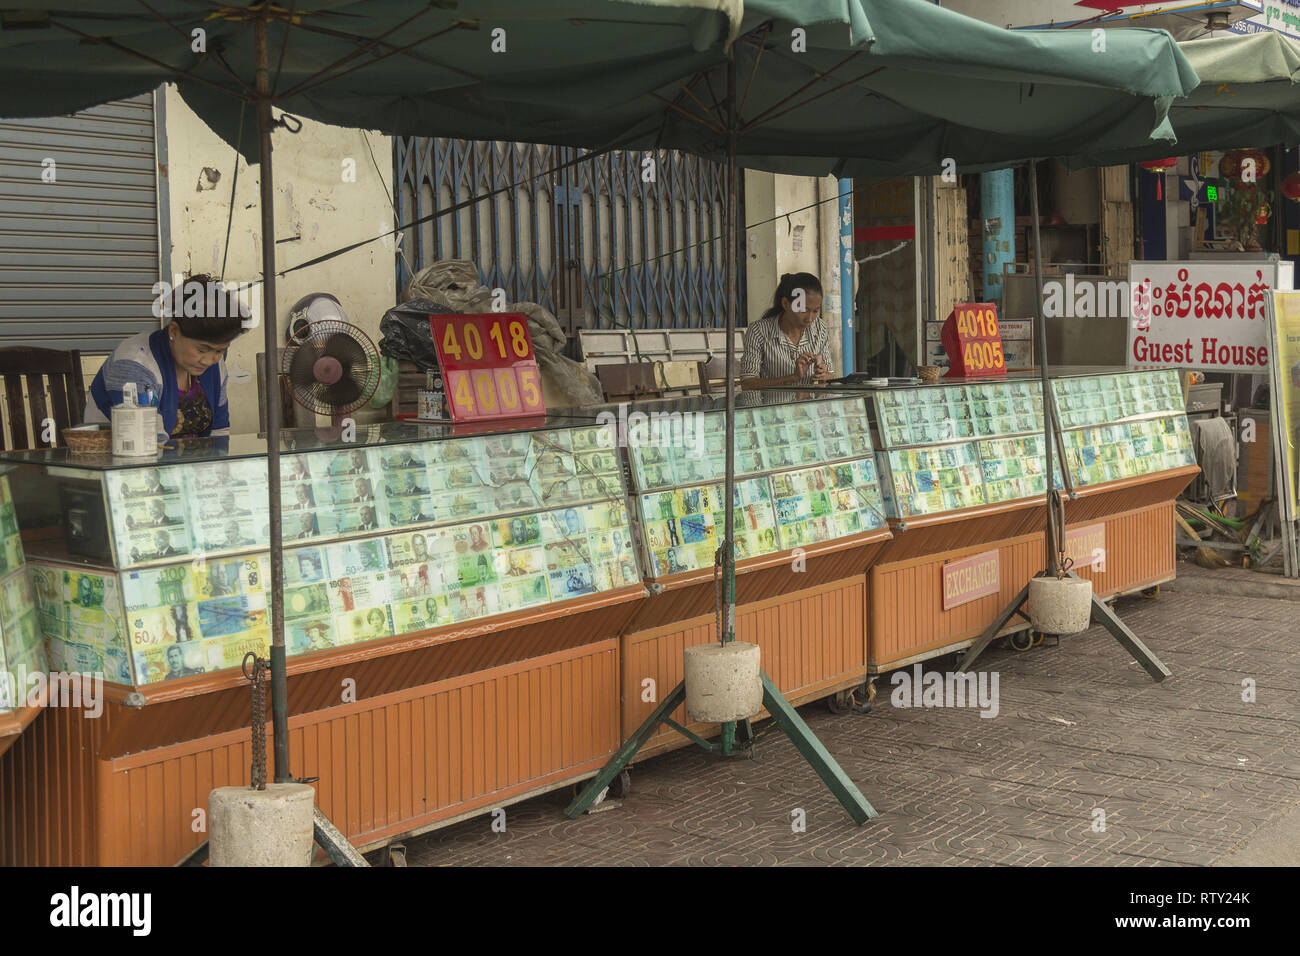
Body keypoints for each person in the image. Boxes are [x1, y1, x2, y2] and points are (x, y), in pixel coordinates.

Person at [85, 274, 248, 440]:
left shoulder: (214, 364)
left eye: (220, 351)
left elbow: (219, 431)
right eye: (201, 350)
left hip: (189, 463)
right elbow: (149, 443)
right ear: (173, 331)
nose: (209, 360)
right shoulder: (134, 363)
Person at [738, 272, 835, 390]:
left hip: (810, 407)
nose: (809, 319)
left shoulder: (820, 328)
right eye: (803, 310)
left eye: (815, 311)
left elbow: (831, 375)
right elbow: (747, 384)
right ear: (785, 304)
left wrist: (823, 375)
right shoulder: (759, 331)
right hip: (773, 407)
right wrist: (793, 377)